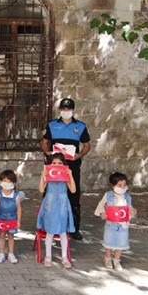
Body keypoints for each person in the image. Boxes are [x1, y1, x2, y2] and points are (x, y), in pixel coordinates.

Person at [40, 98, 90, 240]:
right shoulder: (51, 125)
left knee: (73, 195)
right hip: (54, 165)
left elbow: (87, 145)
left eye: (68, 109)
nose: (66, 111)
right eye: (63, 109)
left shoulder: (80, 126)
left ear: (73, 110)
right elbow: (44, 142)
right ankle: (46, 225)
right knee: (49, 194)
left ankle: (74, 228)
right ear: (60, 109)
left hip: (72, 166)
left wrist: (79, 155)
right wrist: (47, 152)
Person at [37, 153, 76, 268]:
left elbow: (73, 190)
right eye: (54, 163)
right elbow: (41, 189)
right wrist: (42, 176)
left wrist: (71, 176)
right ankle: (48, 256)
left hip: (62, 205)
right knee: (50, 231)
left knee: (63, 231)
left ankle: (65, 257)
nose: (57, 165)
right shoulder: (48, 174)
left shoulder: (65, 175)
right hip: (50, 204)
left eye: (60, 163)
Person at [95, 172, 137, 271]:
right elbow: (101, 205)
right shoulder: (108, 195)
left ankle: (116, 260)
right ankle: (108, 258)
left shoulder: (127, 197)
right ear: (112, 185)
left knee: (120, 243)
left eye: (124, 185)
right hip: (111, 224)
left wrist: (132, 211)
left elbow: (129, 208)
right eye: (119, 185)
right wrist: (102, 213)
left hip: (122, 225)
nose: (122, 188)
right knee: (109, 242)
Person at [0, 169, 24, 264]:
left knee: (11, 236)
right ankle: (1, 253)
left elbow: (19, 208)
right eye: (4, 181)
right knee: (1, 235)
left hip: (12, 218)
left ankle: (11, 253)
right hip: (0, 217)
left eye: (9, 181)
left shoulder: (17, 195)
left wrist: (18, 221)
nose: (6, 183)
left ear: (13, 183)